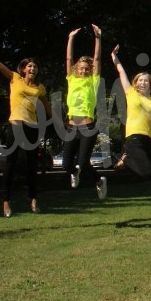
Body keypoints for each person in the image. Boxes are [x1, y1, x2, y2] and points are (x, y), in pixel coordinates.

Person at [0, 33, 52, 217]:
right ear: (24, 69)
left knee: (31, 165)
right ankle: (6, 202)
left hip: (32, 127)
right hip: (16, 124)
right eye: (30, 66)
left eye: (35, 66)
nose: (32, 68)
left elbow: (47, 107)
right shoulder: (15, 78)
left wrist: (62, 122)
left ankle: (33, 200)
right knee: (10, 164)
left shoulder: (39, 88)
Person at [111, 45, 151, 178]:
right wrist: (114, 57)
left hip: (148, 139)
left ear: (150, 85)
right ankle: (126, 158)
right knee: (147, 173)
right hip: (133, 138)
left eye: (146, 81)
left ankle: (128, 157)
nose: (143, 83)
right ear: (136, 83)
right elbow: (121, 72)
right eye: (140, 80)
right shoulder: (131, 93)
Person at [62, 25, 107, 200]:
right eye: (80, 68)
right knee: (67, 165)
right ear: (75, 69)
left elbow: (97, 59)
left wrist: (98, 38)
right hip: (71, 127)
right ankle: (92, 179)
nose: (83, 70)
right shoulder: (71, 79)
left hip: (88, 126)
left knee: (82, 163)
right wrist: (71, 38)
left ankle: (98, 181)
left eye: (86, 68)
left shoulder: (93, 82)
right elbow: (68, 58)